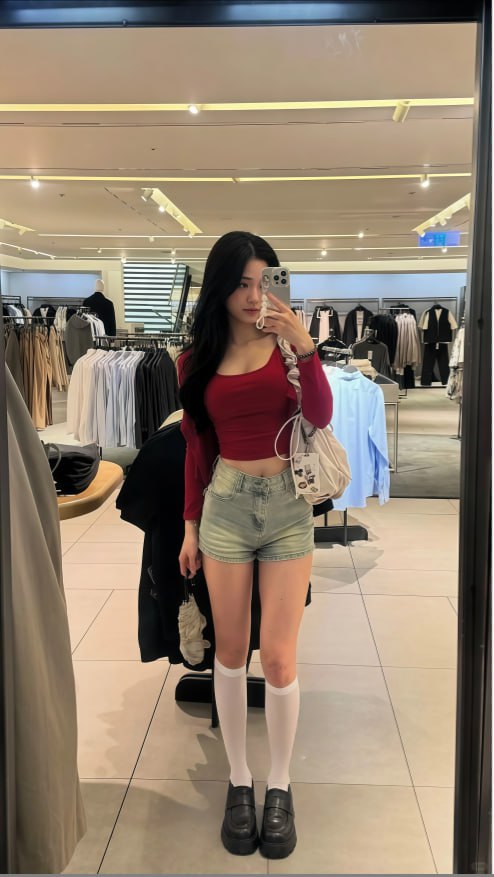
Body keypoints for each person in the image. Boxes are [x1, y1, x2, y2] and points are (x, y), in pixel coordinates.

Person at [177, 231, 333, 859]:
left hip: (290, 509)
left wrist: (306, 346)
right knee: (231, 651)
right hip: (226, 508)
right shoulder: (195, 360)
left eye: (263, 281)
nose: (252, 295)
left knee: (281, 660)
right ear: (219, 287)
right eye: (241, 283)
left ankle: (280, 783)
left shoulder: (288, 347)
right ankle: (239, 778)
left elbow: (319, 416)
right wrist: (190, 525)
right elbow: (196, 449)